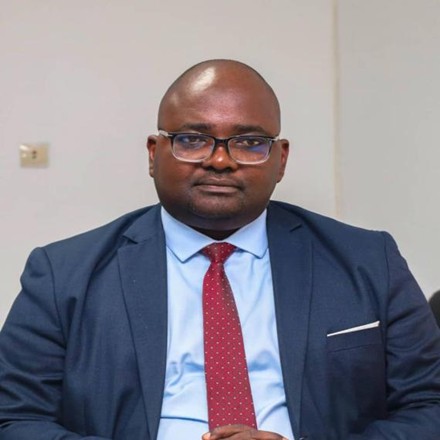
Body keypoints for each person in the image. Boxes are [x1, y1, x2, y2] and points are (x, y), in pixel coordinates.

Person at [0, 59, 439, 440]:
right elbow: (14, 418)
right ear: (154, 153)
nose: (220, 160)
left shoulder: (368, 261)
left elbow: (430, 405)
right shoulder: (62, 274)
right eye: (193, 139)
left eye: (249, 143)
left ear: (281, 160)